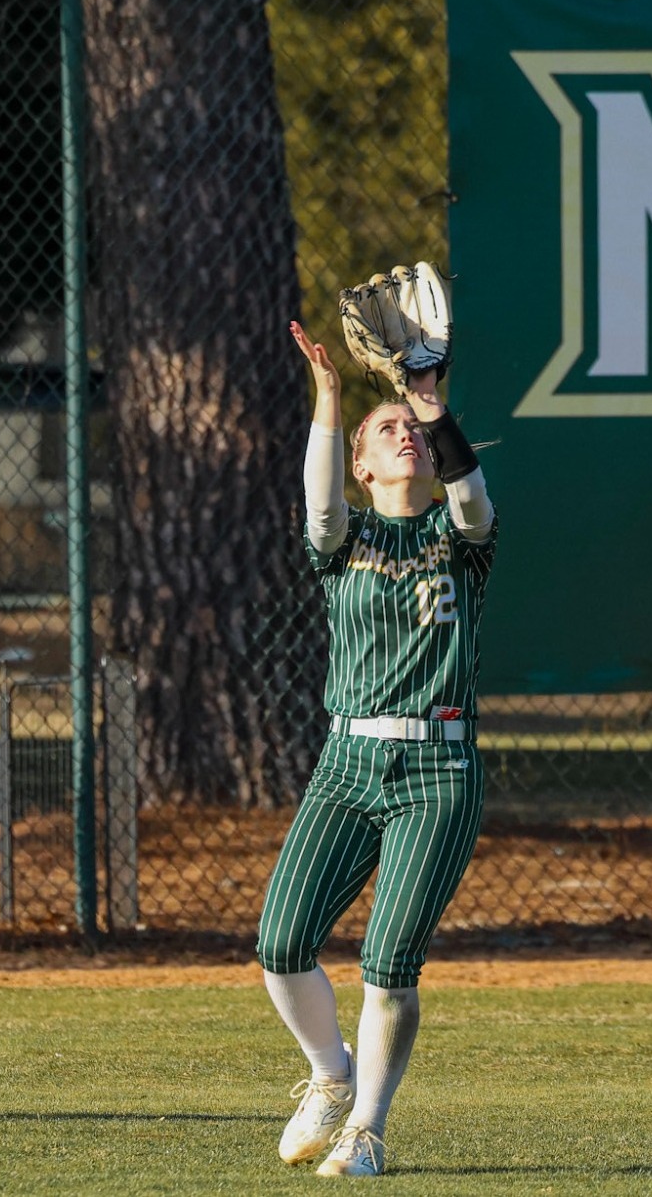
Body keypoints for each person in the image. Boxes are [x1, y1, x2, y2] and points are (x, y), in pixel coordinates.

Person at [257, 319, 498, 1179]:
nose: (403, 435)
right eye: (385, 429)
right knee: (281, 943)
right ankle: (330, 1077)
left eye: (413, 433)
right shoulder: (347, 543)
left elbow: (475, 497)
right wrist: (330, 398)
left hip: (438, 769)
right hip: (348, 763)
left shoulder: (460, 544)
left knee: (388, 961)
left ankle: (367, 1128)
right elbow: (320, 507)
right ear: (363, 463)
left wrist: (432, 409)